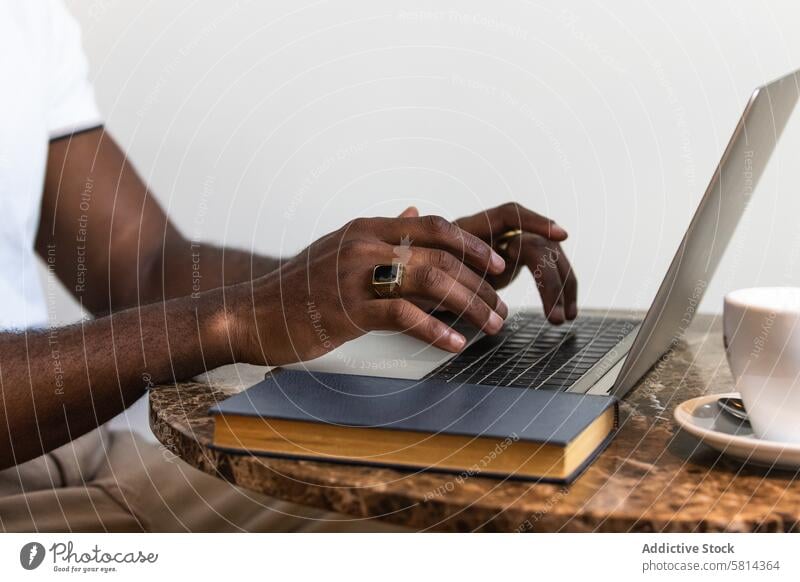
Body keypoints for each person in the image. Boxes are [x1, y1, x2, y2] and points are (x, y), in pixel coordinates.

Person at [0, 0, 577, 532]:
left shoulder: (28, 18)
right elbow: (220, 312)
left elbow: (143, 265)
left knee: (478, 520)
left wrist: (370, 285)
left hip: (82, 443)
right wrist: (234, 321)